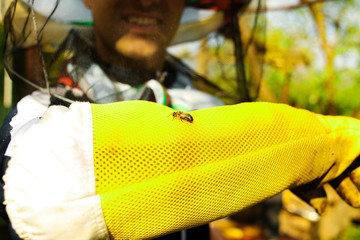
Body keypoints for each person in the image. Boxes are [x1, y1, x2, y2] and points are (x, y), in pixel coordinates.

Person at [1, 0, 360, 239]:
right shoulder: (36, 117)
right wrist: (312, 140)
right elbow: (41, 201)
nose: (147, 0)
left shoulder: (208, 107)